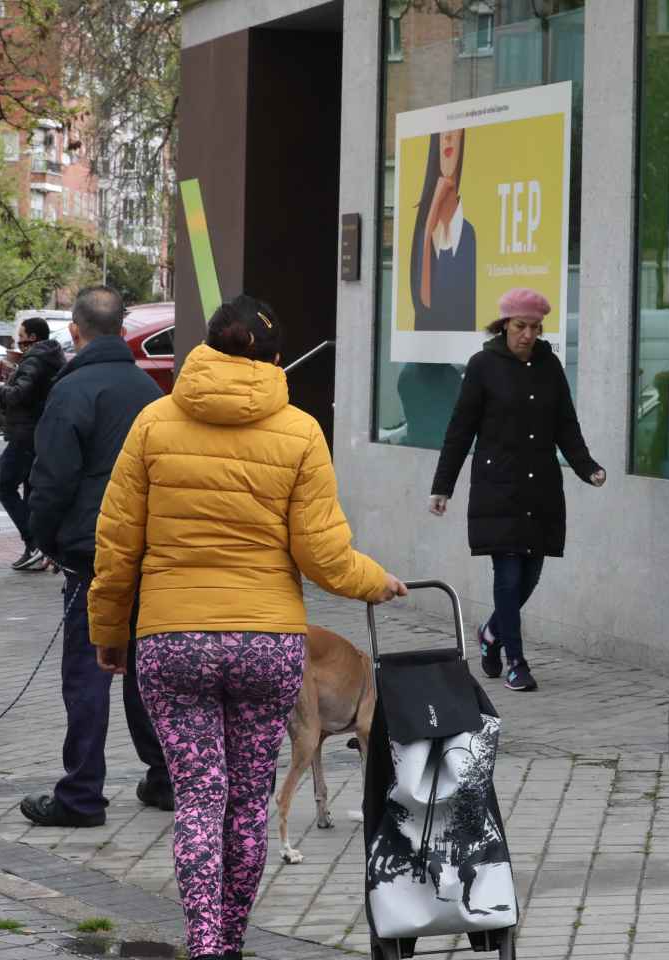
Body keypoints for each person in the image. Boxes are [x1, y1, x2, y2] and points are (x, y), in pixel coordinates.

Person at [89, 294, 407, 960]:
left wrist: (110, 632)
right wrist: (374, 580)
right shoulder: (298, 431)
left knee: (199, 799)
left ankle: (204, 944)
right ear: (277, 358)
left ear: (202, 348)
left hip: (171, 642)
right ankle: (231, 943)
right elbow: (321, 553)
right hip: (266, 645)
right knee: (245, 803)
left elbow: (118, 545)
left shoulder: (153, 423)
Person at [18, 286, 172, 827]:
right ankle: (164, 778)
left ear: (76, 331)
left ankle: (82, 795)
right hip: (149, 550)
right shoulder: (151, 391)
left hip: (93, 552)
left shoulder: (72, 390)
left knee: (88, 675)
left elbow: (51, 478)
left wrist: (48, 541)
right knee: (144, 672)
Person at [428, 288, 605, 692]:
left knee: (530, 576)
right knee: (507, 576)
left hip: (540, 488)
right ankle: (516, 662)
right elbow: (460, 431)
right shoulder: (482, 366)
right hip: (498, 488)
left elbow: (566, 425)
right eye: (521, 326)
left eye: (535, 327)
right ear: (505, 325)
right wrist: (443, 486)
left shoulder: (550, 367)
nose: (528, 334)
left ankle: (491, 634)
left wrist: (587, 467)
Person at [0, 316, 66, 572]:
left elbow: (20, 394)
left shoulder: (35, 359)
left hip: (25, 434)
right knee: (30, 493)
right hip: (39, 434)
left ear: (32, 337)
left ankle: (35, 544)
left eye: (21, 335)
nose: (18, 340)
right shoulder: (48, 357)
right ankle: (38, 549)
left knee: (5, 488)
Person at [408, 128, 477, 332]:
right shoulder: (426, 234)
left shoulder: (469, 234)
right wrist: (430, 222)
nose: (447, 138)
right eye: (442, 135)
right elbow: (424, 306)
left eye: (455, 133)